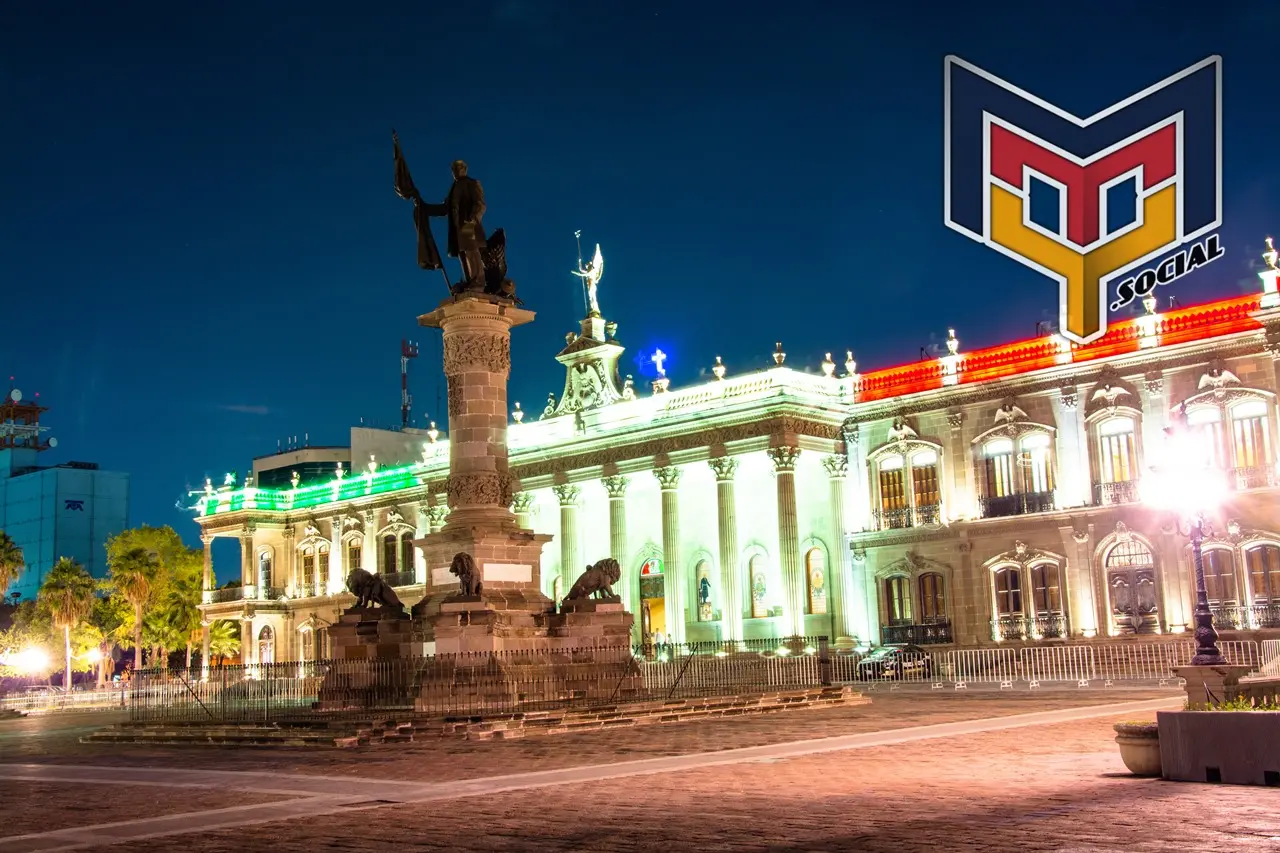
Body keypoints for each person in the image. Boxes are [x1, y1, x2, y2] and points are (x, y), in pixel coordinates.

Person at [423, 160, 487, 289]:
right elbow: (445, 209)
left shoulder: (472, 183)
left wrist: (472, 219)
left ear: (465, 169)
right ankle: (470, 280)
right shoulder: (453, 188)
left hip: (469, 224)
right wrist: (424, 208)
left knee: (471, 251)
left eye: (459, 168)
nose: (456, 171)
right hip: (457, 228)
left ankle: (478, 281)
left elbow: (480, 204)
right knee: (462, 253)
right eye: (454, 169)